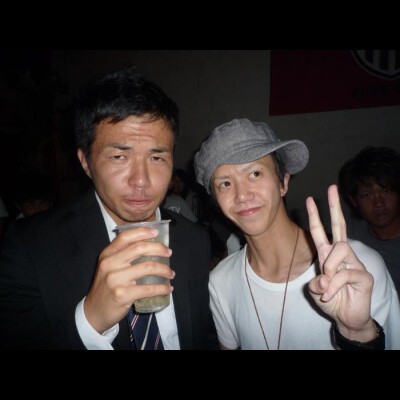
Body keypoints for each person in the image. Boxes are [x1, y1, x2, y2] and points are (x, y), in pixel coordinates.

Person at [0, 68, 216, 350]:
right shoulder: (29, 247)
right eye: (119, 157)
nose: (141, 180)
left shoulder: (195, 240)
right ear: (86, 162)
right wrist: (90, 321)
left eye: (156, 157)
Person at [194, 118, 400, 350]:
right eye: (225, 184)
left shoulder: (358, 268)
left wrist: (357, 333)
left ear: (283, 181)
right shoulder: (221, 281)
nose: (241, 195)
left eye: (254, 174)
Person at [338, 146, 400, 295]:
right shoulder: (350, 234)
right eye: (366, 194)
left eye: (386, 191)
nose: (378, 203)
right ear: (353, 200)